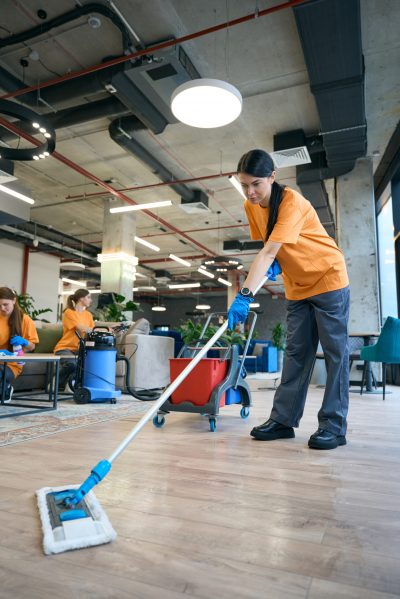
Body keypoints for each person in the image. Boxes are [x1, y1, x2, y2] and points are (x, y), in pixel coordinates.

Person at [227, 149, 350, 450]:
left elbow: (268, 252)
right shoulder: (251, 205)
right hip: (297, 286)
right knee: (296, 354)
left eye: (256, 183)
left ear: (272, 177)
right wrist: (274, 266)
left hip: (327, 278)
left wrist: (244, 294)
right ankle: (283, 421)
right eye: (244, 185)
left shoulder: (292, 202)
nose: (251, 192)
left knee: (335, 354)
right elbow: (271, 248)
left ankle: (333, 427)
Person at [0, 287, 39, 402]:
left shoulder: (25, 320)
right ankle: (4, 389)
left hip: (12, 364)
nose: (2, 308)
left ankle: (4, 388)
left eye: (5, 304)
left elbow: (32, 346)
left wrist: (24, 342)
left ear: (14, 300)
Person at [54, 289, 94, 390]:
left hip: (79, 348)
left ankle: (71, 385)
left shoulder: (88, 315)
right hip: (64, 348)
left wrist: (110, 330)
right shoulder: (69, 312)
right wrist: (98, 329)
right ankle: (56, 383)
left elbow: (92, 332)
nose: (91, 300)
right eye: (88, 297)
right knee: (73, 364)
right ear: (81, 298)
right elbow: (80, 327)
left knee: (87, 363)